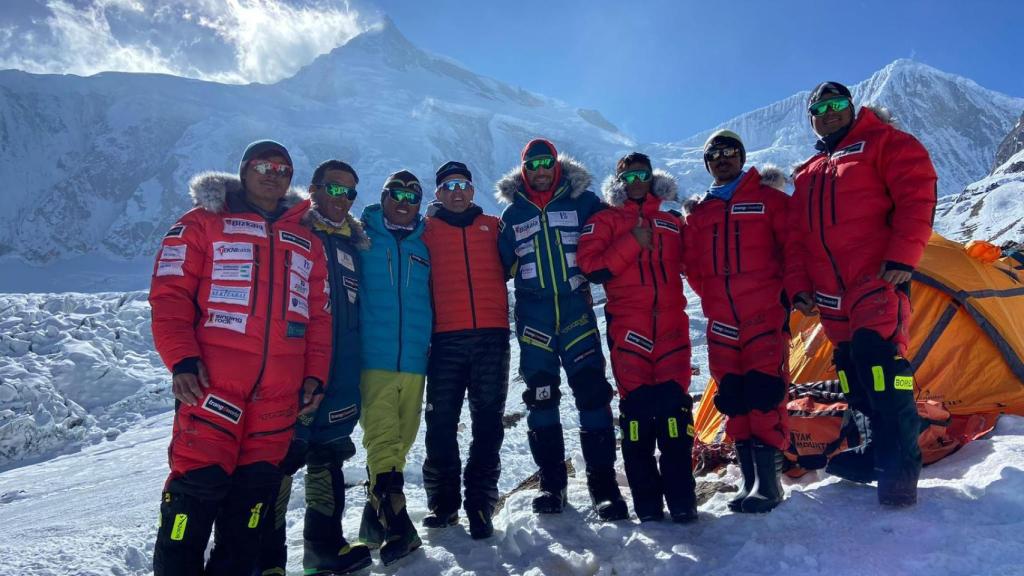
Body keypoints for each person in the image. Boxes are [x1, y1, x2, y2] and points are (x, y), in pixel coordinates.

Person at [149, 140, 332, 575]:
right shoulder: (202, 223)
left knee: (250, 514)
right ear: (244, 171)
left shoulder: (307, 240)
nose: (274, 174)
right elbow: (169, 296)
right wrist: (181, 359)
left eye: (283, 168)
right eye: (264, 166)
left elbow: (319, 318)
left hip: (278, 399)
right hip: (212, 388)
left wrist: (315, 376)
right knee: (192, 501)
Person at [786, 82, 937, 507]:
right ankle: (872, 450)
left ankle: (900, 468)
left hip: (877, 280)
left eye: (838, 105)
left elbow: (918, 196)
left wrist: (903, 258)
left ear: (853, 108)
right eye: (820, 107)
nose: (830, 112)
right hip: (832, 295)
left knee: (882, 363)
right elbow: (796, 239)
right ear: (811, 117)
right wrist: (798, 288)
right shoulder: (808, 172)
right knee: (851, 367)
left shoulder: (885, 143)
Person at [495, 138, 627, 520]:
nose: (540, 170)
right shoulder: (511, 216)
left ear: (556, 166)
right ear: (523, 169)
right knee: (540, 398)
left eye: (546, 163)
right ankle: (552, 484)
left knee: (592, 394)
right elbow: (497, 268)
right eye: (532, 164)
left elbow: (619, 228)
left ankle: (603, 487)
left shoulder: (584, 202)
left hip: (576, 314)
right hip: (534, 321)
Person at [260, 160, 371, 575]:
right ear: (314, 189)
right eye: (334, 189)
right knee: (281, 461)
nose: (342, 199)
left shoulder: (353, 246)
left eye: (350, 193)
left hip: (341, 374)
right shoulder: (293, 232)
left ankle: (324, 550)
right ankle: (266, 560)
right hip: (294, 371)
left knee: (329, 457)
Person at [577, 152, 698, 523]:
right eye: (628, 176)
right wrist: (632, 240)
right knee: (638, 416)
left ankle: (682, 501)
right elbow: (592, 267)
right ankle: (647, 505)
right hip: (630, 329)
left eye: (642, 174)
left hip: (673, 329)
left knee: (675, 413)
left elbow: (696, 265)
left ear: (653, 176)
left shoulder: (672, 220)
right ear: (618, 181)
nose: (636, 181)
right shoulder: (605, 220)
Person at [682, 131, 792, 513]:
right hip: (722, 321)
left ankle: (770, 484)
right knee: (733, 397)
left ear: (742, 157)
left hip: (764, 314)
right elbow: (693, 267)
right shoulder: (700, 213)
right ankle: (750, 481)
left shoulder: (770, 199)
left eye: (730, 152)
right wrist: (714, 298)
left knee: (764, 394)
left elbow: (793, 250)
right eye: (715, 154)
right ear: (707, 163)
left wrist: (784, 296)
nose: (722, 158)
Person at [421, 161, 510, 539]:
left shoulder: (494, 227)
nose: (457, 191)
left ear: (473, 190)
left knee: (487, 425)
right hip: (445, 339)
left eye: (463, 184)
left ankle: (480, 504)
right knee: (440, 425)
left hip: (492, 337)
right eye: (449, 186)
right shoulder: (425, 231)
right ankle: (443, 505)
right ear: (438, 193)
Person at [357, 170, 432, 565]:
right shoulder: (361, 236)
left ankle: (373, 521)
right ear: (383, 197)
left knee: (402, 440)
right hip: (374, 358)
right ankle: (400, 527)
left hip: (416, 361)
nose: (404, 202)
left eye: (412, 196)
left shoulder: (427, 242)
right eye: (396, 194)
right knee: (381, 438)